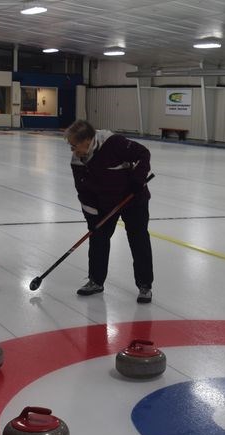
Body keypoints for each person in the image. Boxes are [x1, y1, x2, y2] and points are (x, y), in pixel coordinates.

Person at [65, 119, 154, 303]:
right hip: (105, 203)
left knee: (138, 239)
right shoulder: (77, 161)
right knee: (98, 237)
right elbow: (84, 191)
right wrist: (92, 218)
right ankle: (96, 281)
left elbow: (143, 154)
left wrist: (138, 180)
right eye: (71, 147)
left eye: (75, 146)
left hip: (133, 198)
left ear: (87, 140)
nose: (73, 151)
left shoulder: (114, 144)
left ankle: (145, 285)